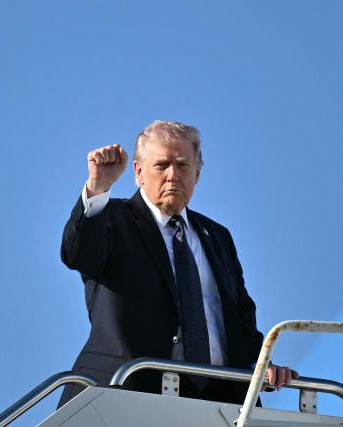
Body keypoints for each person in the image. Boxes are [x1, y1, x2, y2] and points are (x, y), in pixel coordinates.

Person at [58, 120, 297, 408]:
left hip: (221, 401)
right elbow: (78, 254)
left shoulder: (217, 236)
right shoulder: (111, 219)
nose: (173, 176)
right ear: (138, 172)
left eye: (183, 165)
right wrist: (98, 187)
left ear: (197, 172)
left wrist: (262, 363)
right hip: (128, 396)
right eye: (161, 165)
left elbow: (239, 318)